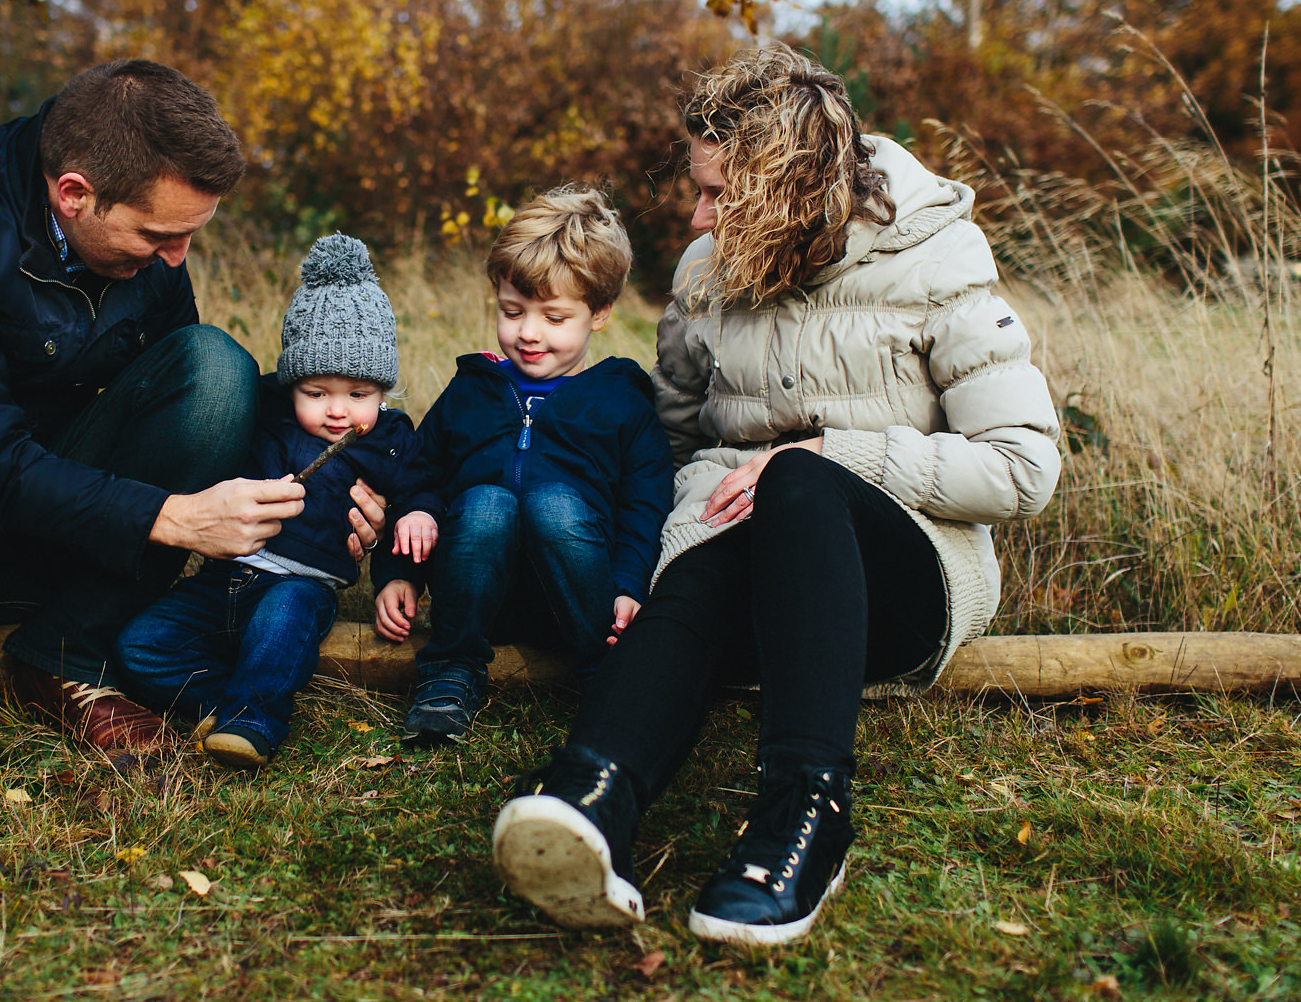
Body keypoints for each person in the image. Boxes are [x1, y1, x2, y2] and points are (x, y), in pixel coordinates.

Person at [491, 46, 1062, 944]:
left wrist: (831, 452)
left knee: (797, 479)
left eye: (718, 194)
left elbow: (1022, 468)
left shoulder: (936, 257)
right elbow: (677, 446)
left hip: (901, 585)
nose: (698, 215)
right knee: (716, 534)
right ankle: (591, 797)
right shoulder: (703, 272)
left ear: (789, 188)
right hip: (740, 570)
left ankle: (806, 815)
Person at [0, 60, 386, 836]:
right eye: (160, 234)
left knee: (217, 370)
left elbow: (178, 402)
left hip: (37, 518)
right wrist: (171, 518)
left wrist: (335, 484)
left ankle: (64, 653)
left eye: (191, 234)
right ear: (74, 194)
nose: (176, 258)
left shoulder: (148, 251)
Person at [118, 235, 440, 769]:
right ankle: (223, 701)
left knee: (282, 620)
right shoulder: (264, 410)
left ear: (383, 391)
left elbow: (417, 490)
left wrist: (404, 556)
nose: (337, 410)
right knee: (140, 646)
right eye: (317, 392)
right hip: (225, 576)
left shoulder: (389, 438)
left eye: (358, 394)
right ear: (291, 383)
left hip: (301, 585)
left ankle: (254, 723)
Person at [380, 187, 673, 747]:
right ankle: (451, 670)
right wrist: (400, 572)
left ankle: (604, 676)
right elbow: (419, 475)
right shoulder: (474, 389)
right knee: (487, 501)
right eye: (512, 312)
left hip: (581, 600)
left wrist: (629, 586)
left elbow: (645, 505)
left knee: (553, 501)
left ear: (600, 313)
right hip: (480, 596)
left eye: (555, 317)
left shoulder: (620, 403)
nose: (529, 333)